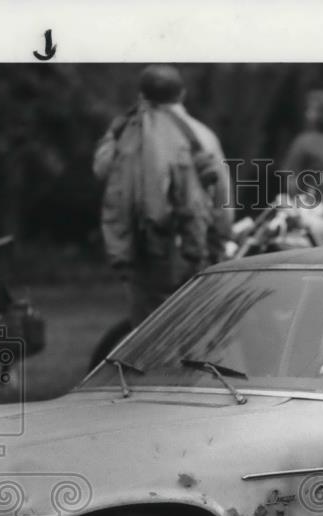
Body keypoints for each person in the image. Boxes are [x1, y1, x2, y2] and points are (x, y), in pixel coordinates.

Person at [93, 64, 232, 325]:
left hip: (142, 252)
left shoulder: (126, 135)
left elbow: (101, 169)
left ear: (142, 97)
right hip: (193, 248)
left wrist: (113, 132)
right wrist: (220, 242)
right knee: (193, 328)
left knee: (148, 332)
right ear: (182, 94)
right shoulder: (202, 135)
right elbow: (222, 196)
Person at [281, 89, 323, 201]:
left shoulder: (305, 142)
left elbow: (291, 181)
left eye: (311, 110)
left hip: (310, 206)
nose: (307, 114)